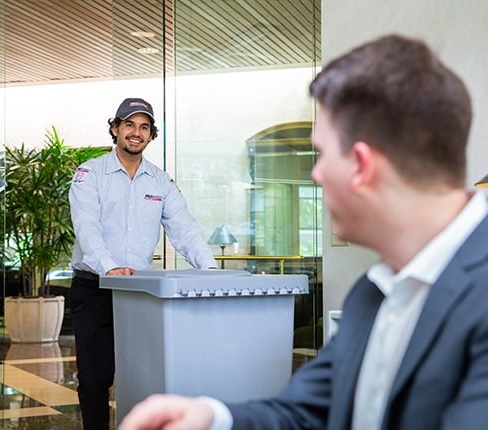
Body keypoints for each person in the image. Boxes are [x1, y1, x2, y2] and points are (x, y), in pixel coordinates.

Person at [118, 34, 488, 430]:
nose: (316, 174)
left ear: (362, 166)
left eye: (322, 154)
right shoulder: (373, 292)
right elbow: (307, 410)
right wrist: (213, 418)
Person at [68, 97, 218, 430]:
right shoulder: (89, 174)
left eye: (144, 127)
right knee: (94, 380)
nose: (136, 133)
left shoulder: (160, 182)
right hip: (95, 289)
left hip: (140, 294)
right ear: (115, 128)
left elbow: (185, 230)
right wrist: (109, 266)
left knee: (145, 379)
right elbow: (87, 227)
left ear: (151, 135)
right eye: (129, 125)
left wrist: (210, 270)